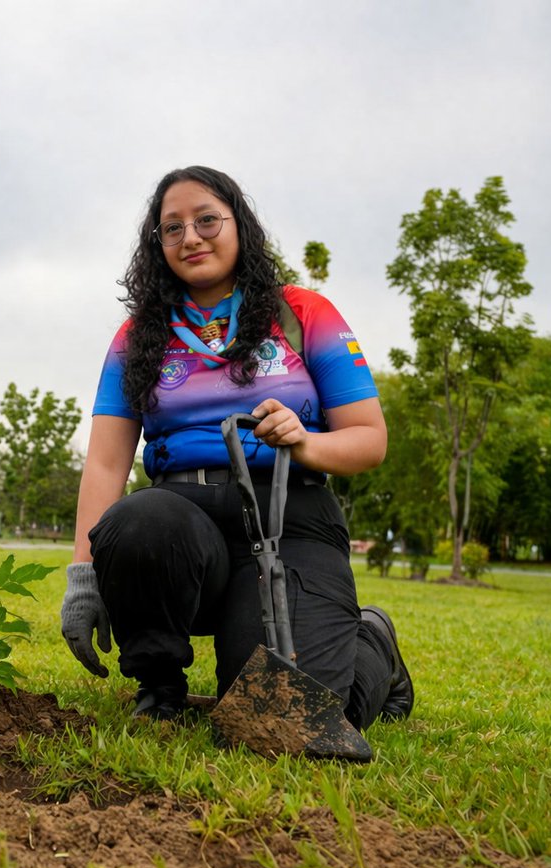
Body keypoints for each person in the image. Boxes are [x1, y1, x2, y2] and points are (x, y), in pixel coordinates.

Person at [59, 166, 413, 730]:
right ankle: (159, 686)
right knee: (140, 518)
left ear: (239, 225)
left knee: (288, 719)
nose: (190, 237)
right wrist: (83, 580)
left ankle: (373, 641)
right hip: (182, 524)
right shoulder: (137, 337)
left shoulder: (302, 313)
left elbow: (369, 440)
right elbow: (105, 462)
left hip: (287, 520)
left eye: (206, 220)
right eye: (171, 228)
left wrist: (304, 442)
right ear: (158, 245)